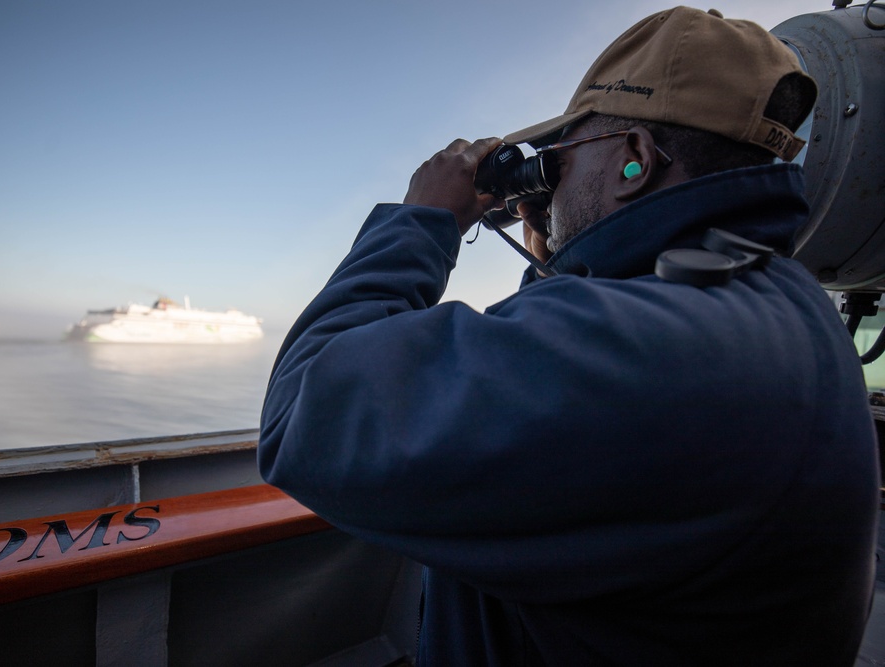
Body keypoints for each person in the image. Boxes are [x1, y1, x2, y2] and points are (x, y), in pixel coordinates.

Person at [258, 7, 881, 665]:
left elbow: (303, 409)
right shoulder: (787, 307)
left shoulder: (648, 350)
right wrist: (563, 246)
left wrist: (420, 220)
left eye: (564, 159)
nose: (550, 187)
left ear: (634, 160)